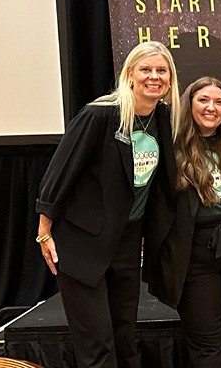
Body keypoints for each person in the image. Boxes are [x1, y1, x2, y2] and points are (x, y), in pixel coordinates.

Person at [35, 41, 179, 368]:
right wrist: (45, 232)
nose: (153, 77)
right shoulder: (100, 115)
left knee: (124, 338)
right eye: (146, 69)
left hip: (126, 242)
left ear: (170, 79)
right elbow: (59, 174)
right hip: (82, 243)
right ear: (129, 75)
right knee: (98, 347)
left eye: (161, 70)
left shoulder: (162, 117)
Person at [143, 76, 221, 367]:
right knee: (208, 346)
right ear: (189, 106)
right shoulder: (170, 149)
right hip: (193, 258)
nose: (211, 108)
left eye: (219, 102)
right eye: (203, 100)